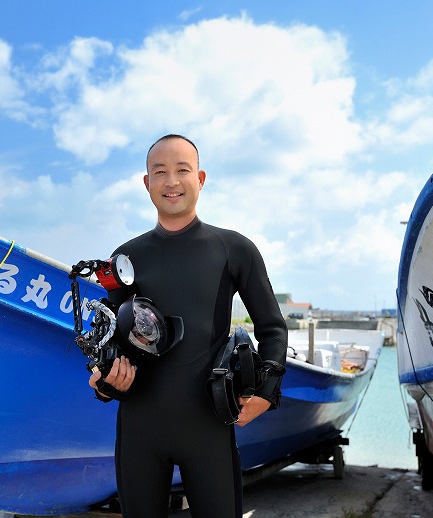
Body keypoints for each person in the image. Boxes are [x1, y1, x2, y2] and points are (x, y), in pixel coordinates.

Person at [88, 134, 288, 517]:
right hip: (139, 429)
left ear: (201, 178)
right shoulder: (125, 258)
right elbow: (109, 340)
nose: (171, 181)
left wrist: (267, 391)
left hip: (207, 427)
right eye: (159, 172)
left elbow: (272, 328)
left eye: (182, 170)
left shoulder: (234, 249)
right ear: (147, 183)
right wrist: (103, 381)